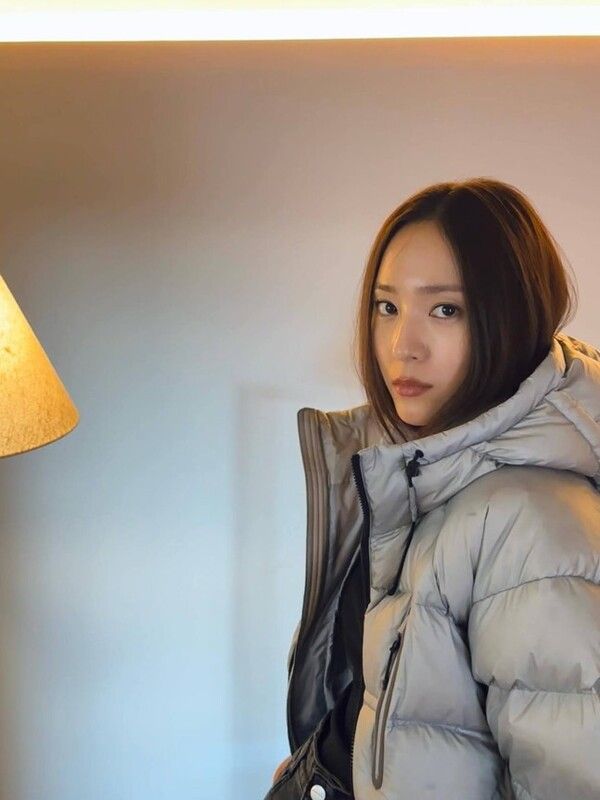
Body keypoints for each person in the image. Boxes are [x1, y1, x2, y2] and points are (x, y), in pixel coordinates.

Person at [264, 177, 600, 799]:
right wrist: (326, 757)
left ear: (512, 316)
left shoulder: (531, 524)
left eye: (445, 309)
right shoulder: (426, 473)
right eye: (387, 307)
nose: (403, 346)